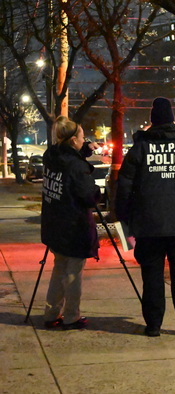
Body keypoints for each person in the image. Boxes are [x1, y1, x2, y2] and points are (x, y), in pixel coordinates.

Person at [116, 97, 175, 337]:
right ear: (172, 119)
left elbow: (124, 188)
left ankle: (153, 324)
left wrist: (127, 219)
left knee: (152, 276)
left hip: (149, 224)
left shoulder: (140, 149)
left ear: (152, 121)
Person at [42, 116, 101, 330]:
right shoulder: (76, 166)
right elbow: (88, 196)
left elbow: (67, 161)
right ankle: (71, 316)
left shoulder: (51, 155)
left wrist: (85, 150)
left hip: (55, 225)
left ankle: (51, 313)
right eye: (82, 137)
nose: (84, 140)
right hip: (74, 226)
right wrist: (97, 191)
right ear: (74, 139)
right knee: (73, 273)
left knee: (59, 268)